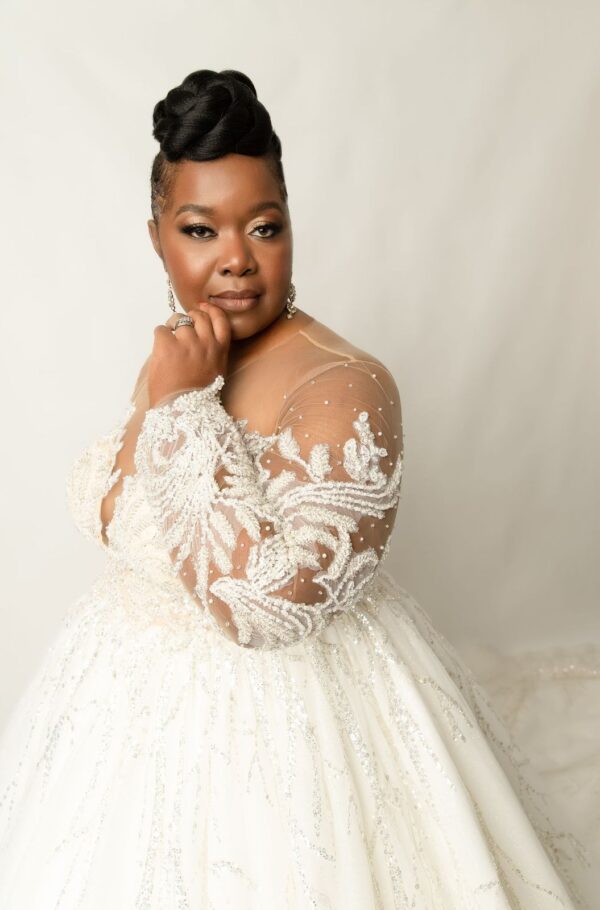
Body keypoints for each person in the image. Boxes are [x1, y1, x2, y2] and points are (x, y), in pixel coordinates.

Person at [0, 68, 588, 909]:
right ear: (157, 237)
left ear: (290, 227)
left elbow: (262, 610)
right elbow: (114, 510)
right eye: (201, 230)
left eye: (264, 227)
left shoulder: (342, 387)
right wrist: (172, 399)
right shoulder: (187, 354)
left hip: (293, 737)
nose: (236, 259)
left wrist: (172, 408)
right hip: (123, 720)